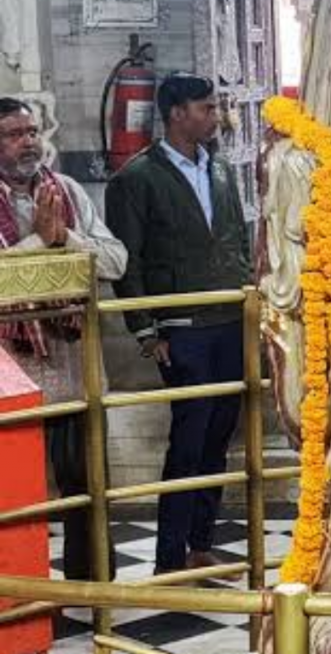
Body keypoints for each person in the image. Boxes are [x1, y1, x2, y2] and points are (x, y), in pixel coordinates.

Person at [105, 73, 251, 575]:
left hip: (229, 321)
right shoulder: (136, 179)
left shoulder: (223, 171)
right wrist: (146, 330)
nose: (215, 116)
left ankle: (201, 543)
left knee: (220, 435)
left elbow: (237, 242)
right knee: (190, 435)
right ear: (176, 113)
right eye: (205, 108)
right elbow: (130, 260)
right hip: (181, 326)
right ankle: (169, 556)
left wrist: (248, 298)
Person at [0, 97, 127, 579]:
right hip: (14, 376)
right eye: (14, 134)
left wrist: (65, 238)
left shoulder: (66, 191)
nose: (29, 141)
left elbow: (117, 262)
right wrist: (38, 240)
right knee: (18, 494)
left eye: (32, 131)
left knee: (88, 486)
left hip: (77, 371)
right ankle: (26, 599)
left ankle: (94, 591)